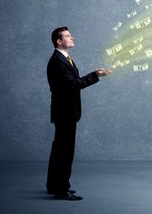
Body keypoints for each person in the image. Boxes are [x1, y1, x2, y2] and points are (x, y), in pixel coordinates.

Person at [46, 26, 111, 201]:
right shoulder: (58, 61)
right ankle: (61, 190)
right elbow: (72, 85)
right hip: (65, 113)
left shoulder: (63, 58)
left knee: (59, 150)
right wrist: (95, 75)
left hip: (65, 113)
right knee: (64, 152)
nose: (72, 38)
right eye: (67, 36)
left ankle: (54, 186)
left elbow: (71, 83)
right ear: (59, 41)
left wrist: (94, 75)